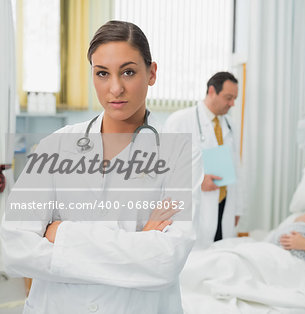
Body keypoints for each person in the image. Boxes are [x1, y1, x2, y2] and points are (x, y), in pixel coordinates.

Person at [1, 20, 200, 314]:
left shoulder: (180, 151)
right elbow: (14, 249)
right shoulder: (55, 145)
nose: (115, 88)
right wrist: (137, 244)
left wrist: (61, 234)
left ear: (152, 73)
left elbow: (165, 262)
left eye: (128, 72)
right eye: (102, 74)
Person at [164, 72, 242, 249]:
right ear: (212, 91)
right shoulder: (180, 121)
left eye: (234, 99)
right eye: (228, 98)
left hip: (225, 203)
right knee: (197, 258)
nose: (232, 104)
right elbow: (167, 169)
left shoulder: (230, 125)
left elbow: (238, 167)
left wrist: (238, 208)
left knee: (221, 256)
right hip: (197, 203)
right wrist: (198, 180)